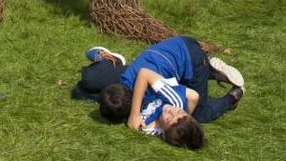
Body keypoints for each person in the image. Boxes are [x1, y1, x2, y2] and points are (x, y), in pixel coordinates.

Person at [74, 37, 243, 150]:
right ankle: (234, 95)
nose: (172, 112)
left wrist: (153, 121)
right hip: (187, 55)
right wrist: (135, 114)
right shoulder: (173, 101)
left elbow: (150, 124)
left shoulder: (154, 109)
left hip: (167, 61)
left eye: (170, 119)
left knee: (81, 91)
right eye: (180, 114)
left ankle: (111, 60)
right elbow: (192, 96)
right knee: (201, 113)